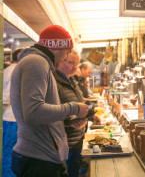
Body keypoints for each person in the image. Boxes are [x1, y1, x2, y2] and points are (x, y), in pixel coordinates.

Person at [10, 25, 89, 177]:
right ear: (58, 47)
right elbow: (33, 112)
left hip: (43, 157)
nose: (66, 57)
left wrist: (66, 122)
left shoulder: (40, 63)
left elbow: (40, 114)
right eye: (67, 52)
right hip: (38, 160)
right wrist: (74, 108)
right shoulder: (36, 62)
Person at [53, 49, 88, 177]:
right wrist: (69, 123)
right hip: (64, 143)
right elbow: (51, 112)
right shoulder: (53, 81)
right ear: (61, 60)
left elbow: (77, 104)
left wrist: (84, 117)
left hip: (77, 140)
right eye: (71, 62)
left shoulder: (72, 80)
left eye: (77, 64)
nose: (75, 67)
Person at [2, 48, 23, 177]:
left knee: (8, 152)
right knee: (10, 152)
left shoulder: (7, 71)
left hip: (9, 119)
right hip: (11, 120)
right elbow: (5, 98)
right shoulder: (16, 72)